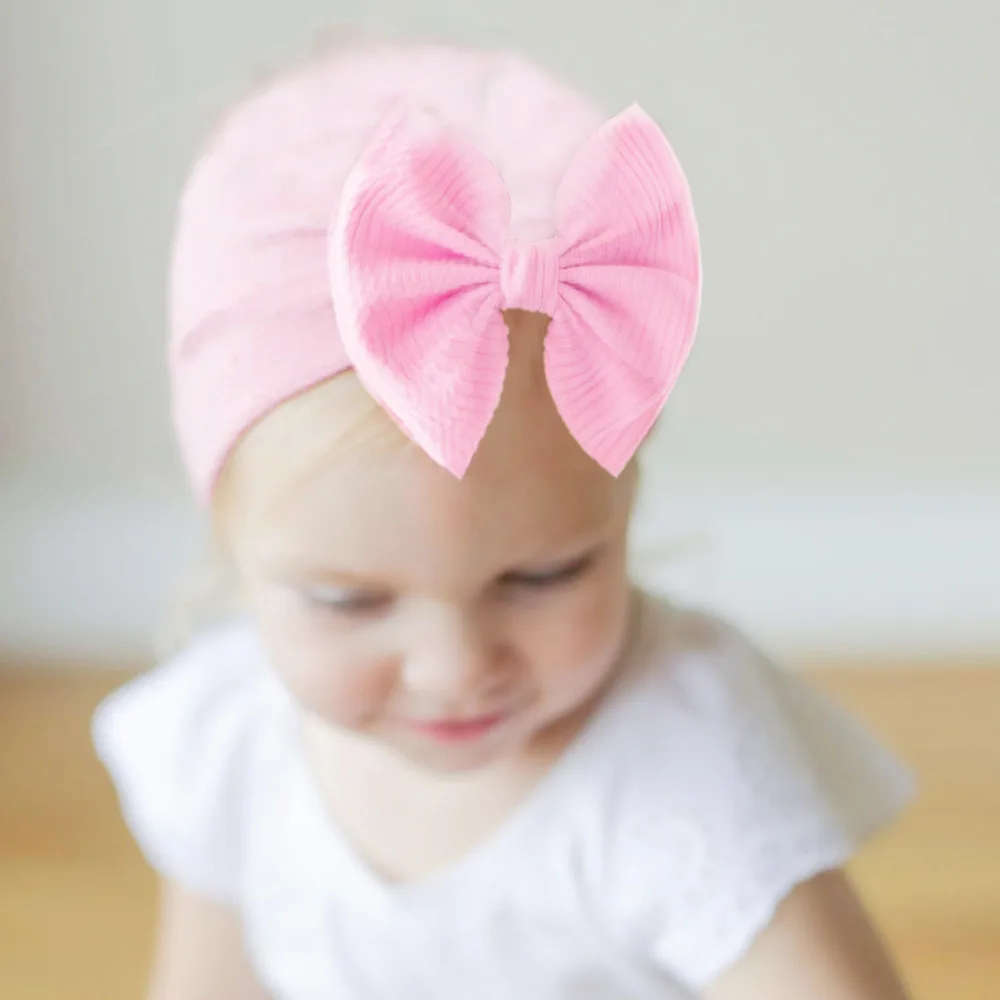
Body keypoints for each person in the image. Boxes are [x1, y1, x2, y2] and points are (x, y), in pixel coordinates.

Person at [93, 29, 915, 1000]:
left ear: (622, 502)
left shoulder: (680, 772)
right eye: (345, 600)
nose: (454, 669)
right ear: (229, 541)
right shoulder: (231, 738)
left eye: (540, 576)